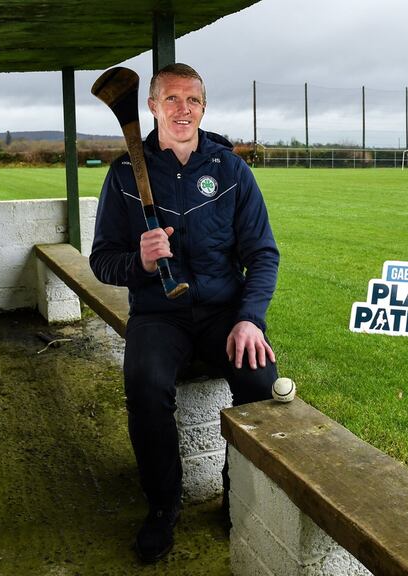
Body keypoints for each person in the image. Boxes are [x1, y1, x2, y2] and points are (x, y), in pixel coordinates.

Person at [90, 63, 279, 563]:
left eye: (192, 100)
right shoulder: (125, 175)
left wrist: (250, 319)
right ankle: (163, 505)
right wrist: (142, 261)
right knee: (146, 385)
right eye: (171, 99)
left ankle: (234, 494)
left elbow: (262, 254)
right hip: (158, 314)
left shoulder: (230, 170)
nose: (183, 109)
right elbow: (103, 260)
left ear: (203, 108)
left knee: (261, 381)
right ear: (151, 107)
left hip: (223, 311)